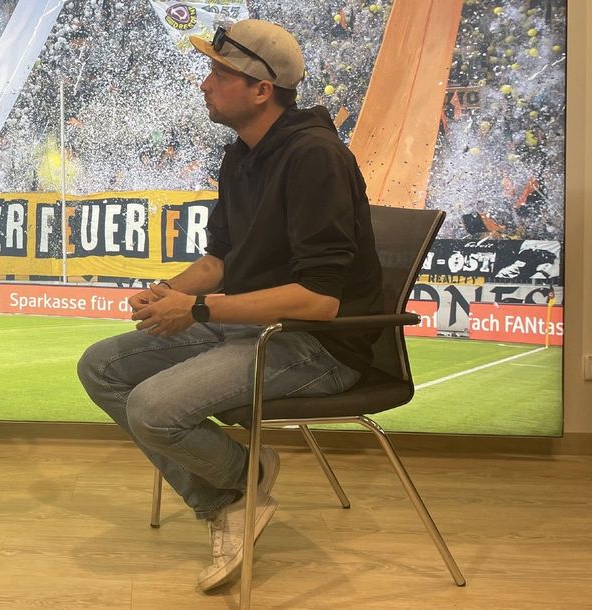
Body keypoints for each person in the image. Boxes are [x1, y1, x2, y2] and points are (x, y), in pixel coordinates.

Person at [77, 20, 382, 592]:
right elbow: (218, 261)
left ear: (262, 90)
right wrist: (168, 292)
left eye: (220, 73)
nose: (205, 84)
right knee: (101, 367)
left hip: (319, 346)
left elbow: (319, 300)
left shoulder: (315, 157)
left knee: (151, 408)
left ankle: (243, 479)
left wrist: (197, 311)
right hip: (255, 327)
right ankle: (232, 497)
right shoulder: (243, 154)